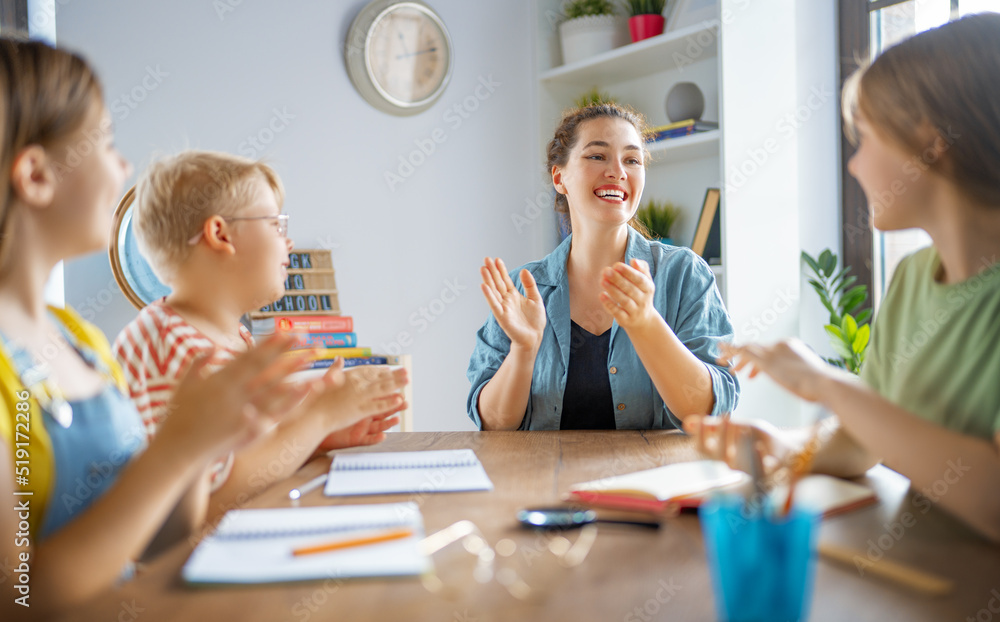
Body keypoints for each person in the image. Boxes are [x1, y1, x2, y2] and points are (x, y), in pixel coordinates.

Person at [0, 37, 338, 618]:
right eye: (104, 141)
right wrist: (178, 448)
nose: (123, 165)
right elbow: (22, 596)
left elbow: (161, 541)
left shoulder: (81, 344)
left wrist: (197, 443)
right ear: (34, 175)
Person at [685, 13, 1000, 543]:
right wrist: (788, 449)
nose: (854, 166)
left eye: (865, 139)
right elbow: (871, 436)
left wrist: (825, 383)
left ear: (929, 143)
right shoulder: (913, 278)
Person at [113, 150, 408, 522]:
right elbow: (210, 502)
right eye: (275, 225)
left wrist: (322, 436)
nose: (288, 243)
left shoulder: (233, 336)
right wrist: (319, 415)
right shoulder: (172, 346)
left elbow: (250, 458)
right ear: (220, 234)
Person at [467, 103, 739, 431]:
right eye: (597, 156)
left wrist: (646, 324)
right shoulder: (522, 290)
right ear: (560, 177)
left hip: (648, 480)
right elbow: (494, 424)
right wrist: (523, 352)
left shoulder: (684, 274)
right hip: (544, 481)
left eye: (632, 160)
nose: (618, 171)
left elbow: (708, 412)